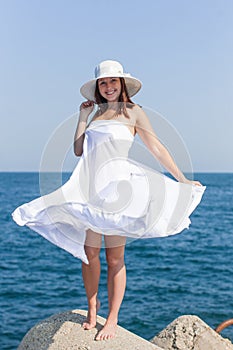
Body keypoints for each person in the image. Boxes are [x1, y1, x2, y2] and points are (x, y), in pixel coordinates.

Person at [12, 60, 205, 341]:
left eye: (113, 81)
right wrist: (81, 118)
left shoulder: (134, 112)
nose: (109, 86)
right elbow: (79, 150)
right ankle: (93, 307)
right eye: (103, 83)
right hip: (90, 190)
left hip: (119, 191)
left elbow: (157, 147)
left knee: (115, 259)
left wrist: (183, 179)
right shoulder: (95, 115)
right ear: (98, 88)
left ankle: (112, 319)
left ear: (122, 84)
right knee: (89, 254)